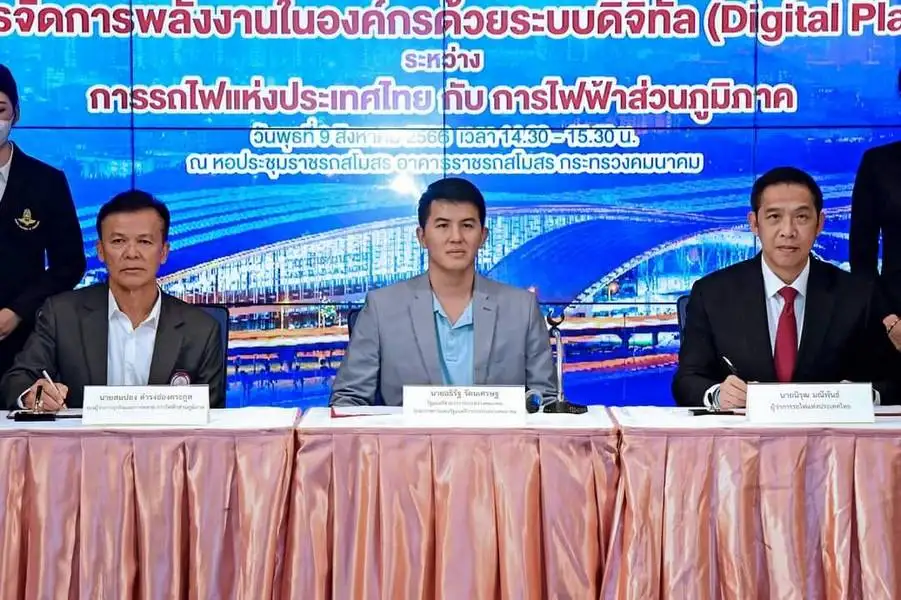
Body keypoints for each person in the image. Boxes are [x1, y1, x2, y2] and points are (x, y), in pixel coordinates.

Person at [673, 166, 897, 408]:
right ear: (754, 224)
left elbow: (893, 382)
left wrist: (866, 396)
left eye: (801, 217)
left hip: (829, 431)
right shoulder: (712, 294)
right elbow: (687, 380)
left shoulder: (858, 295)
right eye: (774, 217)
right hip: (745, 431)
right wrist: (718, 395)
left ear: (819, 223)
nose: (788, 232)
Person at [330, 177, 557, 407]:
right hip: (409, 433)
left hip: (498, 433)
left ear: (483, 236)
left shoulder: (522, 308)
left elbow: (546, 402)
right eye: (442, 226)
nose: (456, 237)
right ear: (422, 237)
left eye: (467, 226)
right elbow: (347, 400)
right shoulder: (382, 307)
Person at [0, 190, 226, 410]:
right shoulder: (61, 315)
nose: (131, 253)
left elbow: (213, 419)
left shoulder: (201, 330)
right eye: (118, 241)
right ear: (100, 251)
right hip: (83, 438)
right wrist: (35, 396)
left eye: (144, 242)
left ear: (164, 252)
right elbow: (17, 380)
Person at [0, 64, 86, 379]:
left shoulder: (46, 182)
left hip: (23, 341)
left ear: (16, 114)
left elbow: (70, 264)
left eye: (0, 109)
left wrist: (18, 311)